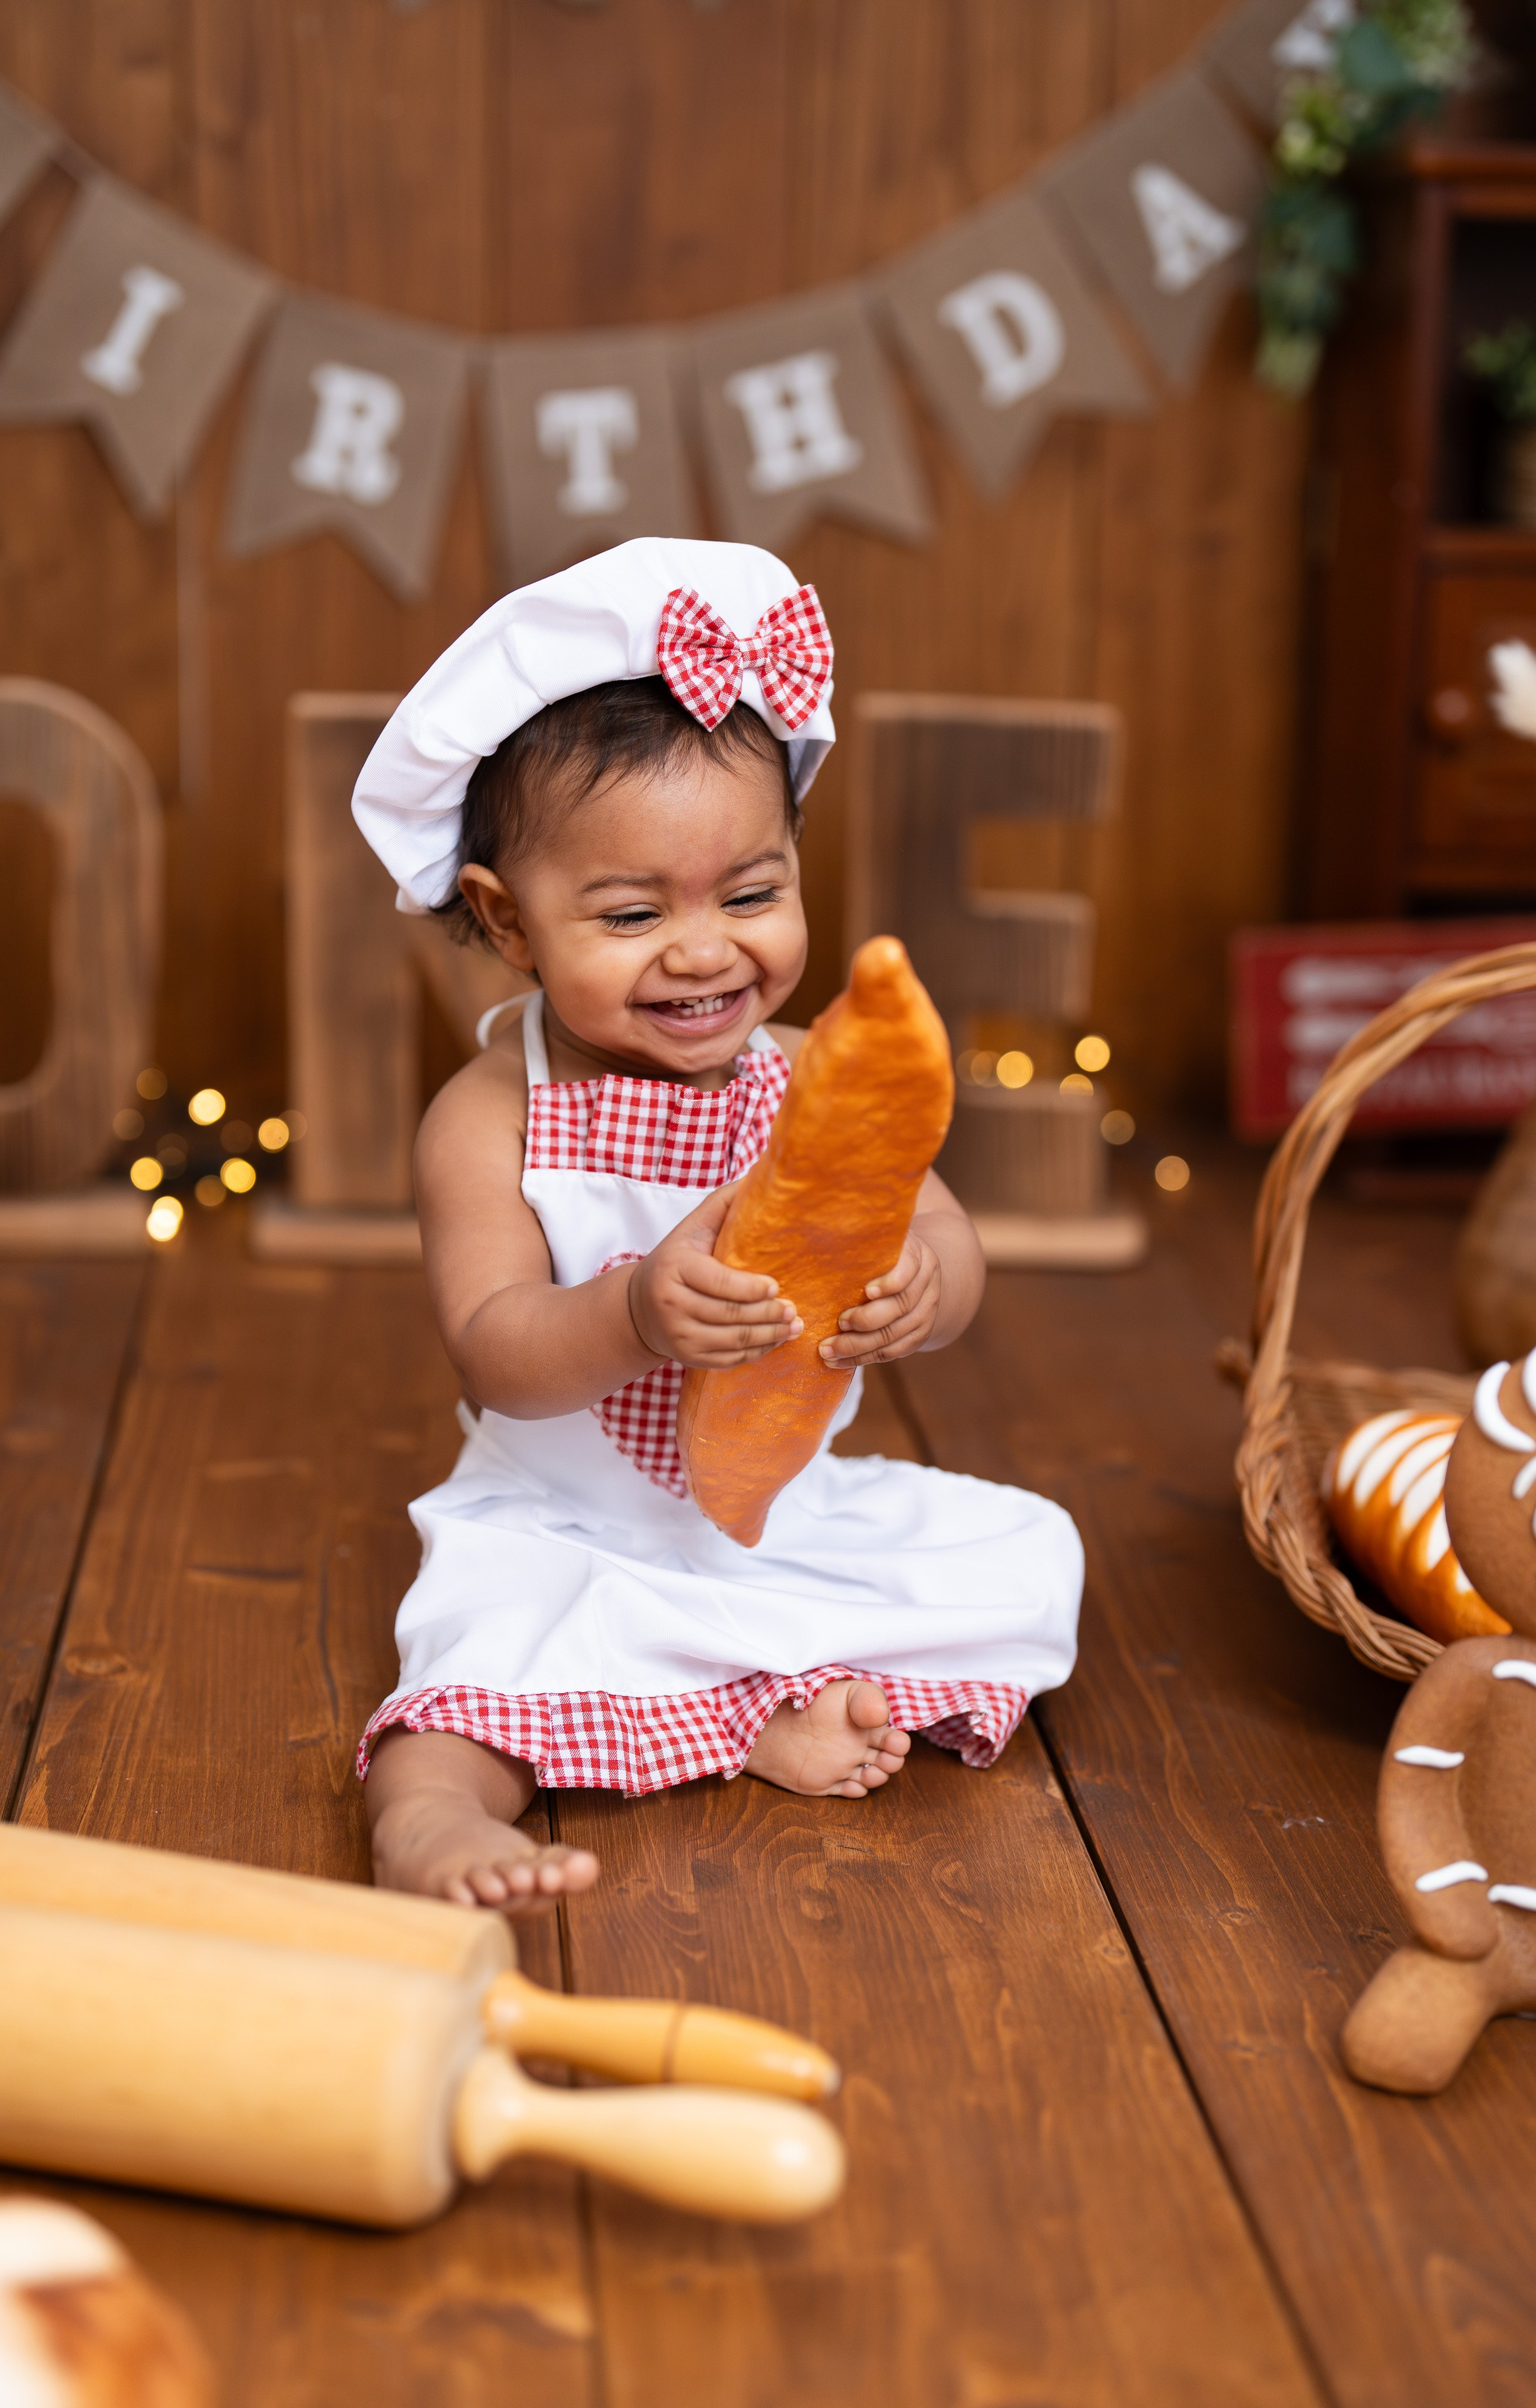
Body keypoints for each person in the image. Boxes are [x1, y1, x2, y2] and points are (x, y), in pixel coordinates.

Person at [350, 538, 1082, 1910]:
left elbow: (945, 1230)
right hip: (565, 1516)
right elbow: (493, 1349)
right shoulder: (490, 1116)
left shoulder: (810, 1077)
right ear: (508, 923)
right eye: (630, 913)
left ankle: (762, 1706)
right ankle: (429, 1819)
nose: (702, 950)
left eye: (750, 894)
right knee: (480, 1649)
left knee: (1029, 1554)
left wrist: (926, 1283)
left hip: (776, 1502)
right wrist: (632, 1312)